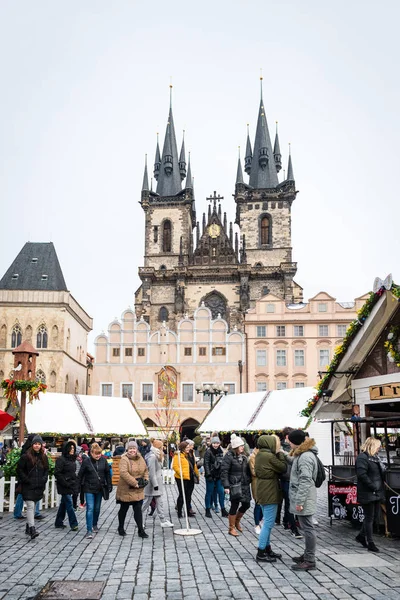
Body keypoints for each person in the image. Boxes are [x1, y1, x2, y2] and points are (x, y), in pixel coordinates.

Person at [287, 429, 319, 571]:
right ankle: (307, 555)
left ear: (295, 442)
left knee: (308, 528)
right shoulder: (303, 454)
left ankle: (310, 560)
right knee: (306, 527)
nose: (288, 443)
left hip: (305, 498)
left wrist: (299, 502)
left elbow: (305, 480)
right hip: (304, 496)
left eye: (289, 441)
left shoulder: (305, 457)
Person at [254, 435, 287, 562]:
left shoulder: (260, 454)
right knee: (268, 523)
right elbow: (283, 467)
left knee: (266, 522)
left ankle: (267, 549)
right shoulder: (269, 456)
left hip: (262, 489)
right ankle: (261, 551)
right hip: (269, 491)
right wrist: (281, 454)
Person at [355, 437, 385, 552]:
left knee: (375, 516)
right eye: (378, 446)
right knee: (369, 517)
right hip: (368, 491)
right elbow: (362, 475)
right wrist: (373, 486)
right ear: (372, 446)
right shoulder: (363, 457)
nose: (379, 448)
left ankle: (361, 536)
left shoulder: (374, 457)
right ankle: (370, 542)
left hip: (376, 490)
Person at [16, 435, 49, 539]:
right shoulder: (26, 456)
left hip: (38, 485)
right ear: (32, 444)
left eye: (39, 444)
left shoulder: (43, 457)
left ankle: (28, 526)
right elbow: (19, 469)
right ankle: (32, 529)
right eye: (35, 444)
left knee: (33, 505)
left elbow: (46, 469)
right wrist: (26, 480)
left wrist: (44, 479)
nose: (37, 446)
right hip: (28, 485)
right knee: (30, 506)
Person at [78, 442, 112, 539]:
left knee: (97, 508)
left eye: (99, 454)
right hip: (88, 488)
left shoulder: (103, 461)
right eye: (96, 454)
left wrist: (109, 485)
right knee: (90, 508)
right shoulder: (86, 462)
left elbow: (107, 474)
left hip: (100, 488)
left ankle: (94, 524)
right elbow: (80, 475)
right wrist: (78, 487)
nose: (98, 456)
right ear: (91, 453)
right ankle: (89, 530)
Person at [116, 441, 149, 537]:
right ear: (127, 449)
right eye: (130, 448)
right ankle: (121, 527)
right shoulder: (124, 459)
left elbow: (145, 470)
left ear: (136, 449)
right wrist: (135, 483)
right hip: (126, 489)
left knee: (138, 509)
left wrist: (145, 480)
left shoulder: (140, 458)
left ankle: (140, 530)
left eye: (134, 448)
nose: (132, 450)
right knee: (124, 509)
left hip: (138, 490)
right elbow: (123, 473)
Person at [221, 435, 252, 536]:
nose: (242, 447)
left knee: (247, 504)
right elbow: (224, 472)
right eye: (240, 446)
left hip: (244, 484)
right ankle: (231, 528)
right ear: (235, 447)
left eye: (243, 445)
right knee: (234, 505)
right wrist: (226, 486)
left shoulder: (243, 456)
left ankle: (237, 521)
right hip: (234, 484)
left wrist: (249, 479)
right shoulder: (229, 456)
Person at [277, 427, 302, 539]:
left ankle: (287, 521)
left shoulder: (297, 449)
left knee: (291, 502)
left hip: (293, 478)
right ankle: (292, 526)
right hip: (286, 478)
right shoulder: (282, 448)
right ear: (287, 437)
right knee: (288, 502)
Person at [142, 439, 174, 528]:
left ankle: (163, 520)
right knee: (146, 502)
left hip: (157, 483)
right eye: (162, 446)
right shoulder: (152, 456)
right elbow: (151, 472)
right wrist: (155, 485)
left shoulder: (157, 455)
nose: (163, 448)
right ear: (158, 447)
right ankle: (138, 518)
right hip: (152, 484)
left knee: (160, 502)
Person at [14, 434, 44, 521]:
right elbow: (20, 468)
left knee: (30, 495)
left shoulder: (30, 450)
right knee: (22, 494)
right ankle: (32, 513)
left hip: (33, 478)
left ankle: (33, 513)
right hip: (27, 478)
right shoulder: (27, 452)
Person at [54, 440, 79, 531]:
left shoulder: (72, 459)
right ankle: (74, 523)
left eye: (73, 448)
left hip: (70, 484)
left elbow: (73, 473)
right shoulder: (61, 459)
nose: (72, 450)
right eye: (70, 448)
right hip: (63, 485)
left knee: (64, 504)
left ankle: (58, 522)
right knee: (69, 504)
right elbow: (57, 473)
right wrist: (65, 482)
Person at [172, 441, 199, 518]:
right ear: (182, 448)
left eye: (188, 447)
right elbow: (175, 466)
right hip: (181, 478)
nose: (188, 448)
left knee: (189, 495)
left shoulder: (191, 454)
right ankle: (179, 512)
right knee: (182, 495)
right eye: (186, 447)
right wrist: (181, 473)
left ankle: (188, 511)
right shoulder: (178, 455)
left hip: (190, 477)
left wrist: (197, 474)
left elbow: (193, 465)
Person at [204, 436, 229, 518]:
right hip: (211, 475)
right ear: (211, 443)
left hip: (218, 475)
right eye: (214, 443)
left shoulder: (221, 451)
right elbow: (206, 463)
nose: (215, 445)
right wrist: (208, 474)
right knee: (209, 492)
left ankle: (223, 509)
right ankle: (207, 509)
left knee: (221, 492)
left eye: (217, 443)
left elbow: (222, 462)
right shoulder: (208, 451)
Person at [249, 444, 263, 535]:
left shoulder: (263, 455)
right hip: (256, 482)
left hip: (264, 482)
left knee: (263, 503)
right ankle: (257, 524)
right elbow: (253, 472)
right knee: (258, 503)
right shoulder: (252, 457)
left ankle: (261, 520)